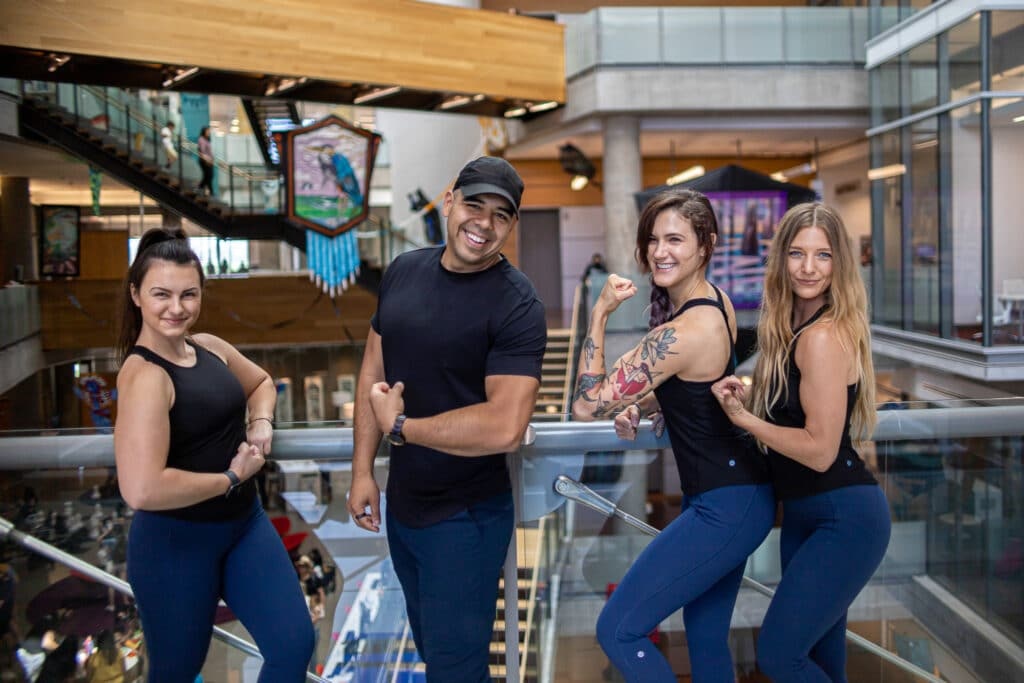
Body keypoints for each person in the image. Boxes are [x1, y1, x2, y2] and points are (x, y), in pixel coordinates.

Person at [347, 156, 547, 682]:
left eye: (501, 215)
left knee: (455, 672)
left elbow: (505, 425)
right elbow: (374, 365)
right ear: (449, 200)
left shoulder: (517, 304)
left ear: (511, 226)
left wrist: (402, 428)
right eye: (475, 205)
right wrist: (363, 469)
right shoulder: (403, 271)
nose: (483, 223)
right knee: (439, 661)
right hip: (405, 511)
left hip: (466, 520)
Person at [571, 189, 774, 682]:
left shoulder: (685, 330)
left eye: (676, 239)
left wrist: (598, 315)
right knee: (706, 641)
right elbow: (692, 384)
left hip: (725, 505)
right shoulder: (717, 303)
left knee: (618, 629)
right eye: (653, 239)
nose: (660, 251)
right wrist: (644, 403)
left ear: (706, 245)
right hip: (734, 495)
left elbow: (586, 404)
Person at [113, 227, 314, 682]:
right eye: (161, 294)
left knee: (294, 644)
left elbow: (262, 383)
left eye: (189, 294)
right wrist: (231, 477)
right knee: (176, 673)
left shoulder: (208, 347)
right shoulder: (143, 375)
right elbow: (142, 489)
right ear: (136, 295)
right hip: (174, 544)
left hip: (243, 525)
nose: (177, 307)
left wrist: (261, 423)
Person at [710, 203, 891, 682]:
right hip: (807, 515)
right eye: (797, 253)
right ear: (781, 260)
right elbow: (799, 404)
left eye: (823, 255)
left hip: (843, 517)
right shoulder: (792, 331)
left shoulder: (822, 336)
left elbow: (819, 449)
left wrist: (745, 420)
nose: (809, 268)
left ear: (839, 265)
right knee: (823, 662)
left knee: (780, 656)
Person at [196, 126, 214, 196]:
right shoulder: (201, 139)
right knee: (208, 176)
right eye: (207, 131)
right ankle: (210, 192)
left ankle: (200, 188)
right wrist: (206, 159)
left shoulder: (207, 140)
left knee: (209, 176)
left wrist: (212, 159)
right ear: (204, 132)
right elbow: (201, 151)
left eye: (209, 131)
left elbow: (209, 151)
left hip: (209, 160)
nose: (209, 132)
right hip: (204, 160)